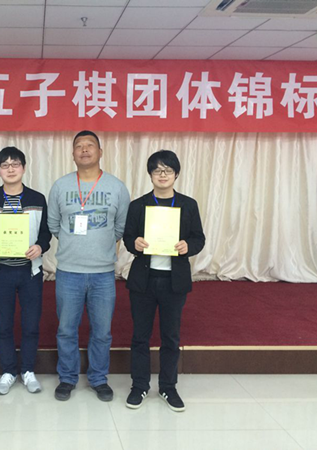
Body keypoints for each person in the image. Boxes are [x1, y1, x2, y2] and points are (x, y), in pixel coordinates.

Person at [48, 130, 130, 402]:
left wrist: (100, 247)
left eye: (90, 145)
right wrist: (75, 246)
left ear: (100, 152)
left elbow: (120, 227)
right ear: (73, 154)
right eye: (79, 146)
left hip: (103, 273)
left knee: (102, 332)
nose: (84, 149)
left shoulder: (116, 187)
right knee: (66, 330)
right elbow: (53, 224)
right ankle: (67, 378)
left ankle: (98, 378)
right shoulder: (60, 186)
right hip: (68, 271)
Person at [123, 150, 205, 412]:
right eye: (157, 170)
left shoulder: (188, 205)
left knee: (171, 337)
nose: (162, 175)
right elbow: (128, 237)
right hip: (143, 281)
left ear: (176, 174)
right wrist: (134, 243)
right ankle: (139, 385)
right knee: (140, 336)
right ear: (150, 174)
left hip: (174, 281)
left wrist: (188, 246)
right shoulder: (138, 205)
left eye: (168, 170)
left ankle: (168, 387)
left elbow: (198, 238)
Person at [0, 147, 51, 395]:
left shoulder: (37, 199)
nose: (10, 169)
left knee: (31, 324)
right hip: (1, 272)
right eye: (5, 165)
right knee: (4, 325)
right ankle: (9, 371)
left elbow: (46, 232)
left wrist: (40, 246)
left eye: (15, 164)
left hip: (31, 272)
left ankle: (28, 370)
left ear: (24, 167)